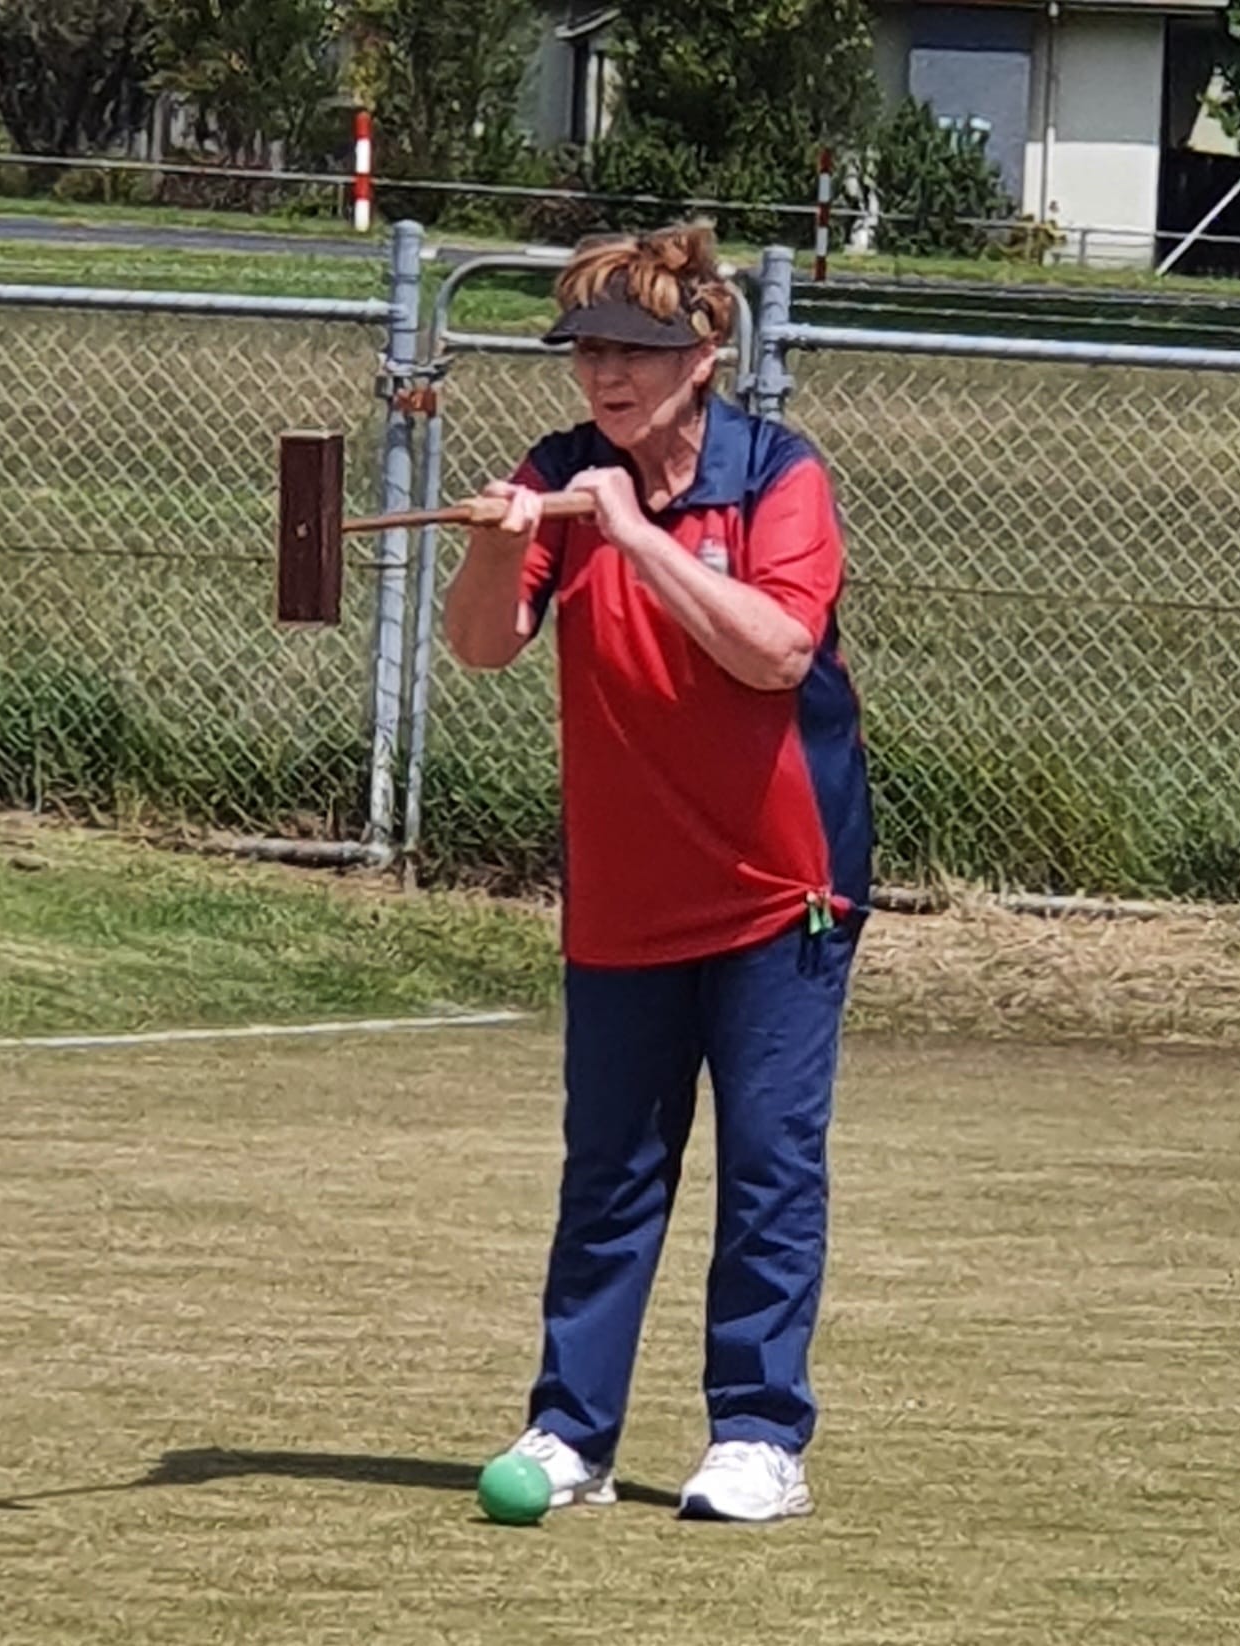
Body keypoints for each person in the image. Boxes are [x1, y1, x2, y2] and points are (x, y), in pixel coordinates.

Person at [441, 222, 872, 1524]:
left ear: (703, 355)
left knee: (767, 1165)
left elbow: (774, 655)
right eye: (583, 352)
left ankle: (756, 1434)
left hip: (776, 884)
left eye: (629, 349)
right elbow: (480, 647)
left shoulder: (774, 476)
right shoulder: (558, 473)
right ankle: (572, 1431)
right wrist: (488, 537)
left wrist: (628, 535)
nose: (601, 375)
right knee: (609, 1167)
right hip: (626, 889)